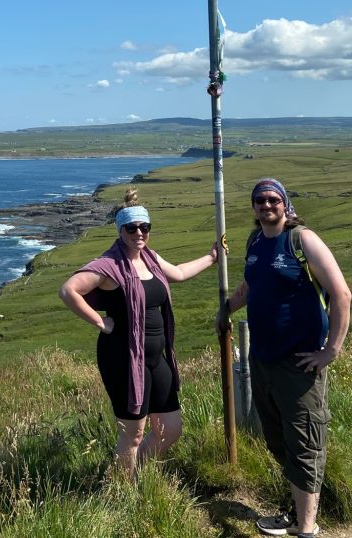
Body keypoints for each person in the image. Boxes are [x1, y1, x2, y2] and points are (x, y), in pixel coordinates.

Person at [219, 178, 351, 538]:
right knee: (278, 439)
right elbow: (251, 285)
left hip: (299, 363)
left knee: (304, 441)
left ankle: (306, 529)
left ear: (285, 204)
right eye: (259, 200)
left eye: (273, 199)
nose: (266, 205)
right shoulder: (255, 241)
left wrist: (331, 350)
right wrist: (226, 309)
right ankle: (295, 514)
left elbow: (341, 293)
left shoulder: (301, 240)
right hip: (262, 358)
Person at [59, 188, 218, 480]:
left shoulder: (152, 259)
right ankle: (126, 493)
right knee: (133, 434)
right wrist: (100, 322)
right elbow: (69, 290)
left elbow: (180, 273)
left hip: (159, 358)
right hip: (124, 359)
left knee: (170, 429)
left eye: (144, 227)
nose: (138, 233)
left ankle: (136, 474)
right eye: (131, 228)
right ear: (120, 230)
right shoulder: (109, 266)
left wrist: (211, 258)